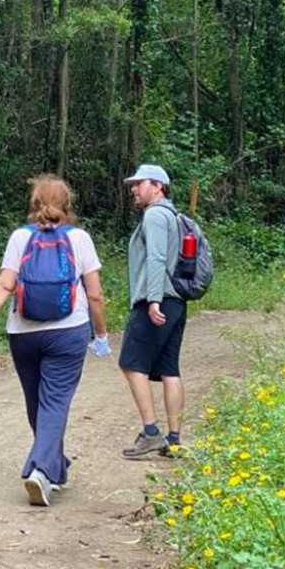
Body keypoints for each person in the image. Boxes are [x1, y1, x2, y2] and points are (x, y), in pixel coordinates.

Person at [0, 175, 110, 507]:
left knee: (38, 404)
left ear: (34, 203)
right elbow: (95, 293)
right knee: (55, 403)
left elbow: (5, 284)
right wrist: (101, 334)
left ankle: (55, 468)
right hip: (68, 331)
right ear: (67, 204)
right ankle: (41, 469)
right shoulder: (80, 239)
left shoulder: (21, 237)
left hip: (23, 332)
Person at [118, 164, 186, 458]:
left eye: (139, 184)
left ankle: (151, 433)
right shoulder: (173, 215)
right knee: (169, 369)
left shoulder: (156, 214)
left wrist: (153, 299)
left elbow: (157, 258)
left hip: (157, 300)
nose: (134, 189)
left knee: (131, 364)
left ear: (157, 186)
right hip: (176, 301)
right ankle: (173, 439)